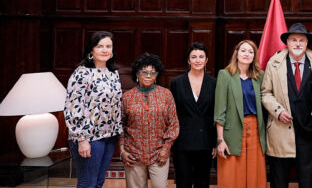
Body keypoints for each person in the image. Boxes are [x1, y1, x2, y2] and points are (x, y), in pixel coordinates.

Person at [261, 23, 312, 188]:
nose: (298, 44)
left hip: (309, 132)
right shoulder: (273, 63)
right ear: (287, 42)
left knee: (308, 180)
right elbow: (265, 93)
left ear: (306, 43)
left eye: (301, 40)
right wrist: (278, 111)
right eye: (294, 40)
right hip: (280, 129)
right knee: (279, 179)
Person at [64, 31, 123, 188]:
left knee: (98, 182)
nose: (105, 50)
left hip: (109, 135)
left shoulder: (113, 73)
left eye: (108, 46)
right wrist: (82, 139)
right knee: (88, 183)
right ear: (91, 50)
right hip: (89, 137)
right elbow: (72, 108)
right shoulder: (81, 73)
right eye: (100, 46)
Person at [120, 53, 179, 188]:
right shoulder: (128, 97)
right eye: (144, 72)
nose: (148, 75)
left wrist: (166, 149)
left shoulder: (166, 94)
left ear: (157, 75)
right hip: (133, 154)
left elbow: (174, 125)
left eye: (153, 72)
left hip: (159, 154)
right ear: (137, 73)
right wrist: (123, 150)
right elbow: (120, 126)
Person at [214, 40, 266, 187]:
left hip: (255, 130)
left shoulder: (259, 76)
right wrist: (220, 139)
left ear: (254, 56)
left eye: (251, 52)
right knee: (231, 175)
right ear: (236, 53)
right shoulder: (225, 75)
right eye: (243, 50)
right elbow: (220, 110)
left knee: (255, 175)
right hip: (232, 131)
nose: (246, 54)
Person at [170, 42, 217, 188]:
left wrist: (216, 141)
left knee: (202, 182)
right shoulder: (177, 83)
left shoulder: (214, 83)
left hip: (205, 141)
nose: (198, 60)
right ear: (188, 60)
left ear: (206, 60)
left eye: (201, 56)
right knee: (183, 182)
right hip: (182, 141)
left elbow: (216, 113)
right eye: (194, 57)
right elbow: (172, 114)